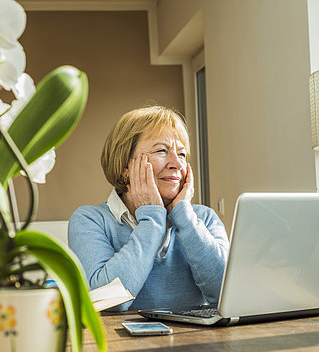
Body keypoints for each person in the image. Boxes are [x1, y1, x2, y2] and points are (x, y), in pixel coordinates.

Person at [68, 106, 229, 311]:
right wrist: (152, 219)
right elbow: (108, 302)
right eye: (162, 150)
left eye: (181, 154)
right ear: (125, 166)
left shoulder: (204, 218)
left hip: (199, 341)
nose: (177, 164)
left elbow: (226, 292)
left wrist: (185, 217)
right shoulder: (90, 220)